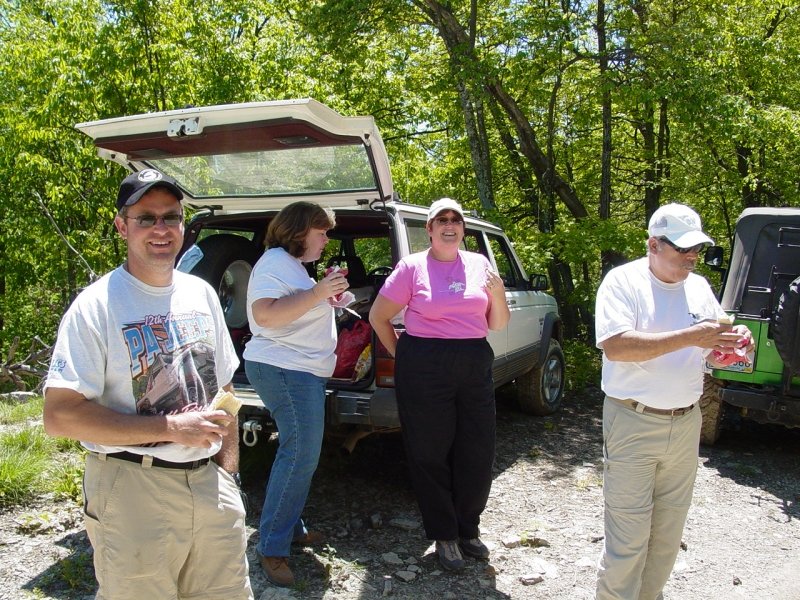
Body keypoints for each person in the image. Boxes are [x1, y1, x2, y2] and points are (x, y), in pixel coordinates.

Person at [43, 169, 252, 600]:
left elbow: (225, 386)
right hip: (132, 486)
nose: (161, 229)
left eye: (171, 217)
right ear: (122, 225)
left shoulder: (202, 294)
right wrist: (170, 430)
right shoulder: (95, 306)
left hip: (210, 485)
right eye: (146, 218)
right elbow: (60, 415)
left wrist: (228, 471)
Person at [594, 203, 754, 600]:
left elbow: (711, 349)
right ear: (653, 244)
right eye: (682, 247)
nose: (691, 255)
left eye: (696, 247)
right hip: (632, 420)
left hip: (686, 423)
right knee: (628, 542)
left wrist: (732, 349)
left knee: (667, 539)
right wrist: (691, 337)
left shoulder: (698, 286)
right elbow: (616, 346)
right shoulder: (622, 282)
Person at [368, 197, 510, 572]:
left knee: (477, 448)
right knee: (430, 451)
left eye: (456, 220)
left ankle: (468, 529)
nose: (450, 225)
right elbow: (378, 316)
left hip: (473, 359)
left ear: (463, 228)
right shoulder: (411, 267)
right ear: (428, 229)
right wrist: (404, 357)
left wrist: (497, 294)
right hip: (423, 363)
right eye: (441, 220)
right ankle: (444, 535)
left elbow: (497, 324)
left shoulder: (480, 264)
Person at [244, 201, 349, 587]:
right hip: (285, 369)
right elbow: (266, 315)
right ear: (300, 231)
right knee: (300, 454)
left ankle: (289, 527)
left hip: (298, 370)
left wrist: (328, 298)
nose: (326, 239)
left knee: (298, 453)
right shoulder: (274, 261)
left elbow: (294, 311)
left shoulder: (293, 269)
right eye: (322, 232)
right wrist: (319, 291)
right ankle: (271, 548)